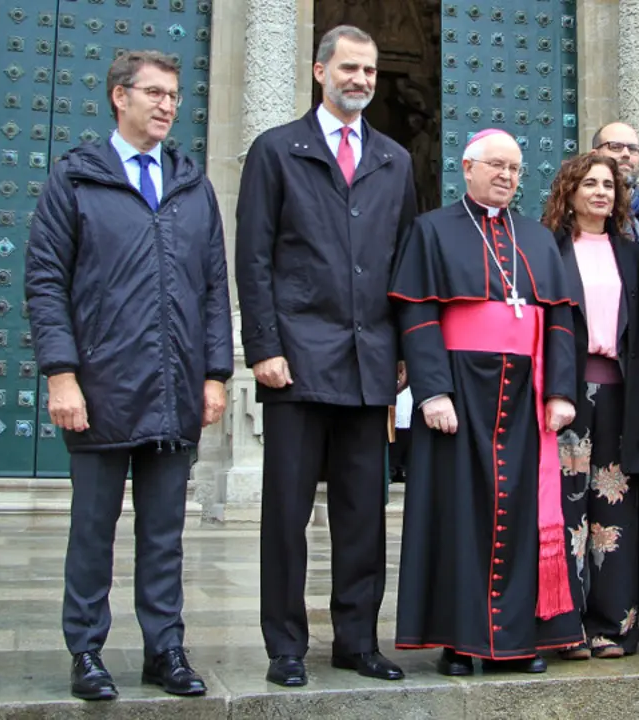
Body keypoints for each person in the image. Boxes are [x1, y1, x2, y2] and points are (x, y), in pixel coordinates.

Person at [25, 49, 232, 701]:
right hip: (100, 389)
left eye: (174, 94)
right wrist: (62, 374)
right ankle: (86, 651)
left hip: (175, 389)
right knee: (92, 528)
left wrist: (216, 373)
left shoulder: (192, 185)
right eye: (154, 92)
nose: (167, 104)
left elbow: (212, 288)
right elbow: (45, 281)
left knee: (164, 533)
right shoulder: (76, 180)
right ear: (119, 96)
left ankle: (164, 649)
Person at [235, 25, 416, 687]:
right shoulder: (276, 150)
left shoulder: (395, 160)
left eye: (369, 70)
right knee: (286, 516)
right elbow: (253, 258)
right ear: (319, 71)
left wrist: (402, 352)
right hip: (296, 362)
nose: (361, 80)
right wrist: (263, 348)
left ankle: (356, 641)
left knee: (364, 516)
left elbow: (404, 265)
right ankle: (285, 646)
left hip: (370, 364)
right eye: (349, 68)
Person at [390, 128, 581, 676]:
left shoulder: (538, 239)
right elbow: (418, 313)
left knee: (520, 510)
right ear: (467, 167)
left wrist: (561, 393)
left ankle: (518, 641)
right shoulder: (432, 230)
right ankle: (460, 639)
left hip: (524, 392)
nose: (506, 176)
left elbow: (561, 319)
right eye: (495, 165)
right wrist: (432, 391)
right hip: (459, 388)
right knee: (458, 513)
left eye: (515, 168)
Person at [542, 154, 639, 659]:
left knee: (615, 507)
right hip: (565, 394)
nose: (601, 192)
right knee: (565, 508)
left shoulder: (632, 252)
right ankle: (564, 626)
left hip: (620, 394)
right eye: (590, 183)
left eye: (609, 185)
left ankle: (611, 626)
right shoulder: (549, 249)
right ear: (570, 191)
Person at [592, 120, 639, 642]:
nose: (624, 156)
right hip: (588, 386)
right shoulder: (561, 235)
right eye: (613, 147)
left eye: (632, 149)